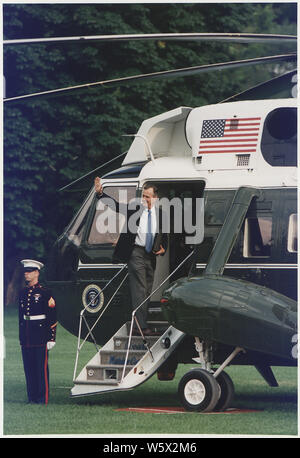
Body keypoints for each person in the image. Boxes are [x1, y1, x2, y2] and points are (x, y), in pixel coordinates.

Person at [94, 177, 168, 336]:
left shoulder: (161, 214)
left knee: (147, 290)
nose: (145, 199)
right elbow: (116, 206)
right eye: (144, 196)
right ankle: (141, 327)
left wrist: (164, 249)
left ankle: (138, 323)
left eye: (148, 197)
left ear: (156, 198)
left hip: (150, 256)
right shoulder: (135, 209)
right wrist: (101, 194)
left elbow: (164, 235)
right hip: (135, 253)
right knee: (140, 289)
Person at [19, 259, 57, 404]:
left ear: (36, 273)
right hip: (27, 335)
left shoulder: (45, 292)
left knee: (40, 368)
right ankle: (32, 397)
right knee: (29, 368)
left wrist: (51, 338)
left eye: (29, 272)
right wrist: (21, 337)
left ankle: (42, 398)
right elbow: (21, 318)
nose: (26, 275)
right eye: (25, 272)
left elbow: (52, 315)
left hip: (40, 335)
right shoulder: (23, 292)